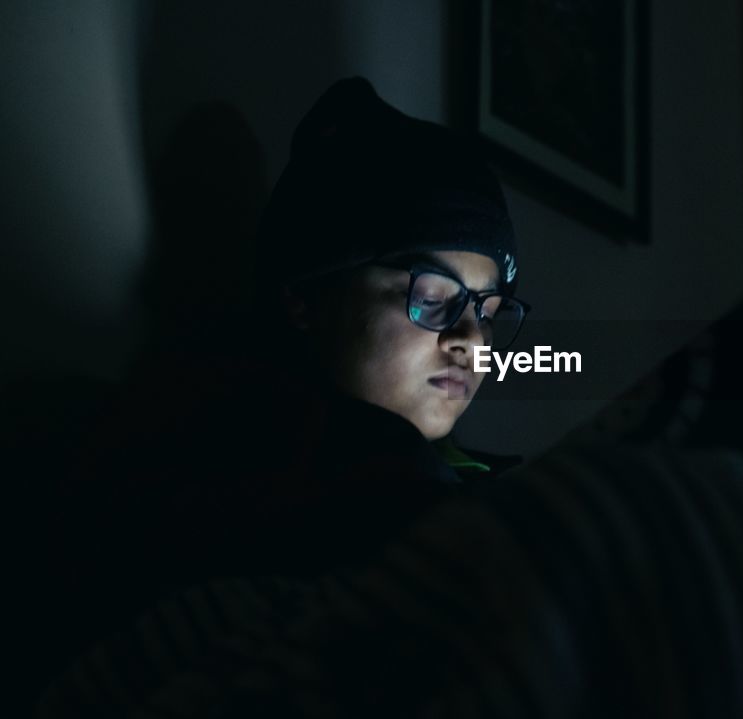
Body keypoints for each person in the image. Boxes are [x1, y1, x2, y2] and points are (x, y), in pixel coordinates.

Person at [20, 76, 528, 712]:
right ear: (304, 298)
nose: (470, 341)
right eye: (432, 297)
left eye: (488, 311)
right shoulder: (205, 427)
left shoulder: (473, 478)